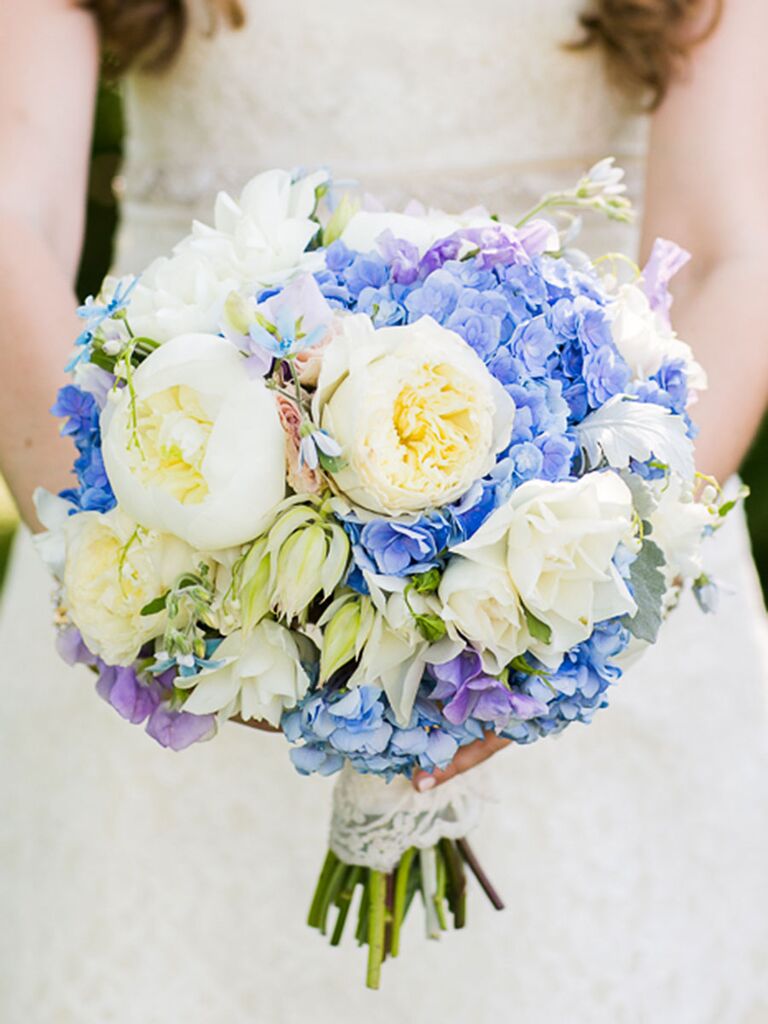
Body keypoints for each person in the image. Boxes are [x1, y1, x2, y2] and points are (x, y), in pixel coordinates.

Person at [1, 1, 766, 1020]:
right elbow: (13, 207)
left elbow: (724, 253)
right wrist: (132, 565)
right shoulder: (147, 556)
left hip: (554, 565)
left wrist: (578, 598)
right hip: (173, 517)